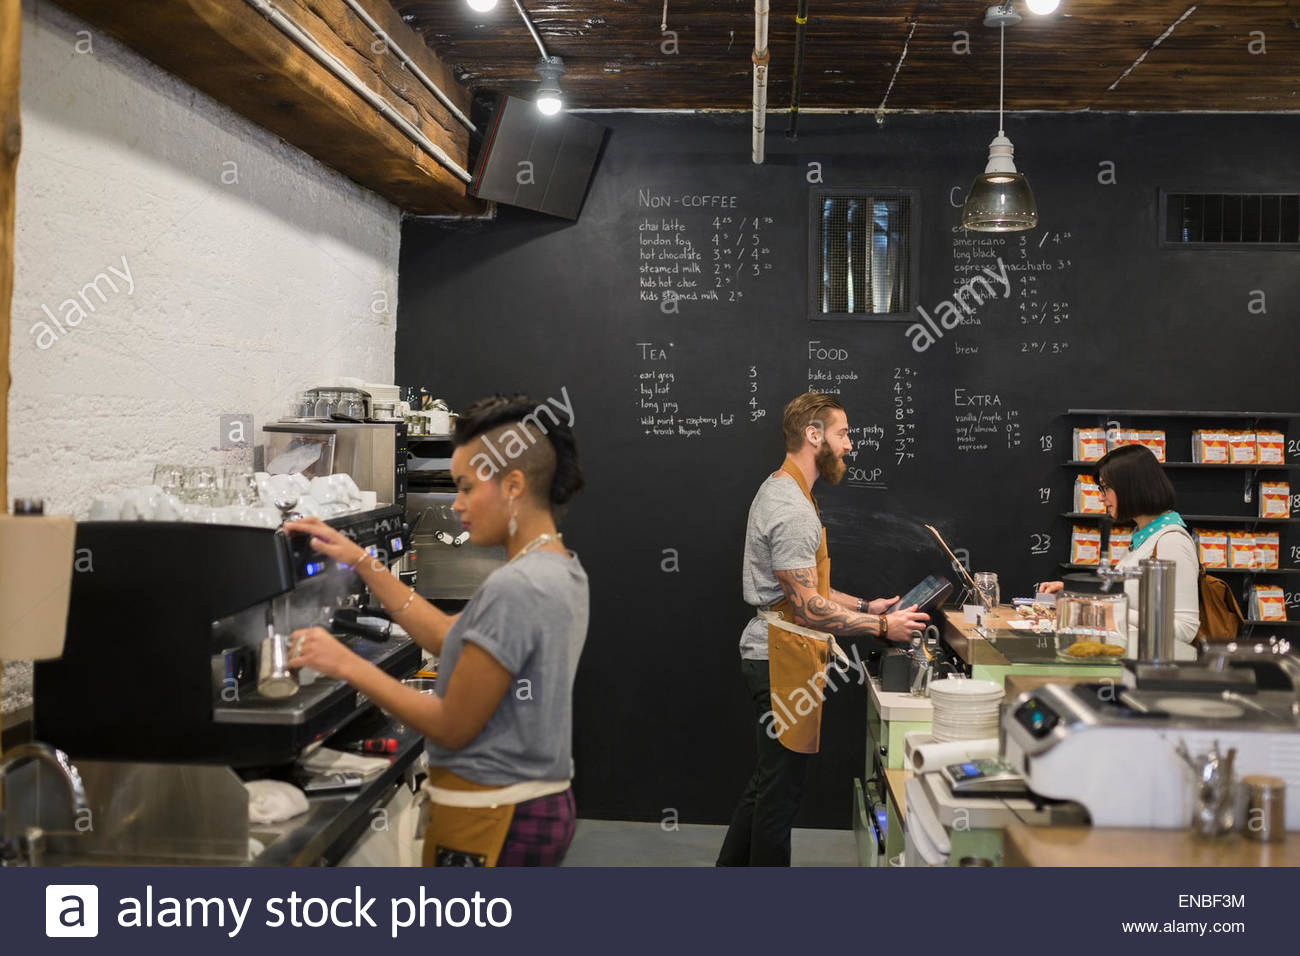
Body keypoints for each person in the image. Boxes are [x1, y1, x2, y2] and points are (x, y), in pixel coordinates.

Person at [283, 395, 588, 866]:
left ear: (512, 486)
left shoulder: (517, 586)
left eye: (466, 488)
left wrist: (344, 663)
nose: (458, 506)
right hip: (532, 803)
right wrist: (363, 560)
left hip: (496, 815)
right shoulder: (559, 567)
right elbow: (449, 637)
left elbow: (452, 724)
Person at [717, 392, 930, 866]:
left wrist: (863, 604)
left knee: (767, 783)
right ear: (813, 436)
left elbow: (806, 588)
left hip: (777, 653)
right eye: (842, 433)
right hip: (778, 658)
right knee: (779, 798)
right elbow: (808, 608)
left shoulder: (784, 490)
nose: (850, 445)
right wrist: (881, 625)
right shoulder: (792, 508)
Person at [1039, 444, 1200, 659]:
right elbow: (1128, 597)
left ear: (1130, 487)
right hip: (1125, 658)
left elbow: (1185, 629)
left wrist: (1101, 612)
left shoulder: (1171, 542)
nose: (1101, 497)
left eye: (1105, 488)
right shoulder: (1144, 538)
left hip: (1149, 668)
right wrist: (1078, 592)